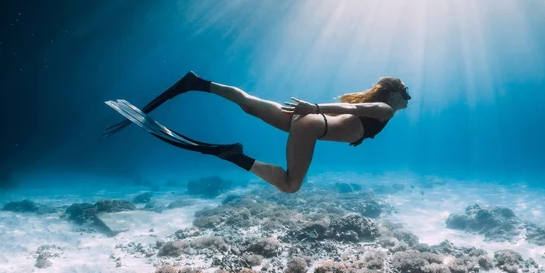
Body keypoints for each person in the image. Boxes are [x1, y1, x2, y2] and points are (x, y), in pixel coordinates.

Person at [103, 72, 410, 193]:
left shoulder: (378, 108)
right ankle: (235, 157)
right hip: (313, 124)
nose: (408, 97)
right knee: (291, 186)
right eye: (404, 92)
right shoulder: (385, 110)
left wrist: (313, 111)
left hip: (308, 119)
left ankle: (197, 83)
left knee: (250, 104)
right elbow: (352, 112)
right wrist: (314, 108)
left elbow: (353, 116)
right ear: (392, 93)